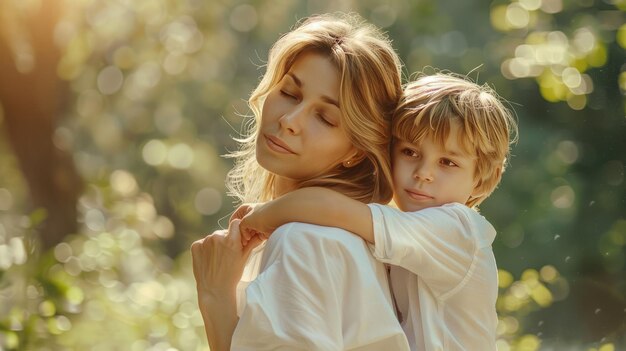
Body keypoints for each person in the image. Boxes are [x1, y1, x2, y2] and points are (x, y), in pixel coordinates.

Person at [239, 72, 519, 350]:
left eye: (447, 162)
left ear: (484, 178)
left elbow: (333, 209)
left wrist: (260, 217)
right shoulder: (404, 230)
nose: (423, 173)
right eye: (410, 152)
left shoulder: (458, 231)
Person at [190, 13, 411, 351]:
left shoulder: (308, 241)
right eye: (290, 93)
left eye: (325, 118)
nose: (290, 121)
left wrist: (215, 299)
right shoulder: (315, 236)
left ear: (356, 151)